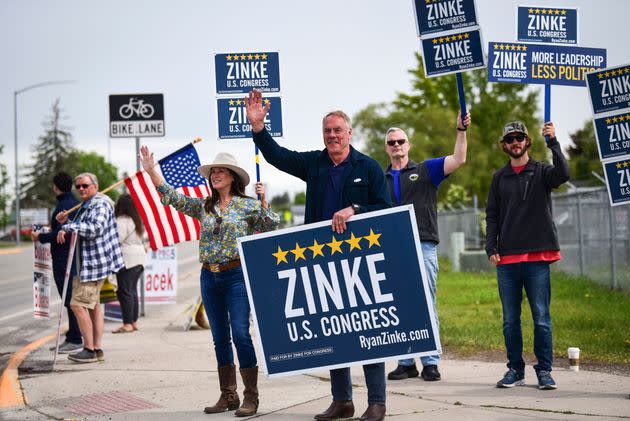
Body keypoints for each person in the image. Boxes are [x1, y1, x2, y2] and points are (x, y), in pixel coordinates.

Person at [245, 89, 391, 421]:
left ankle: (377, 402)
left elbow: (386, 208)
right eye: (327, 131)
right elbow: (278, 156)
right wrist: (258, 129)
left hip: (360, 260)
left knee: (367, 330)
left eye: (338, 130)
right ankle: (342, 401)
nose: (332, 136)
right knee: (334, 332)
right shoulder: (314, 163)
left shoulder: (367, 167)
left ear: (349, 133)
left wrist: (355, 208)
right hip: (321, 262)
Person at [139, 146, 279, 417]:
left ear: (232, 176)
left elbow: (270, 226)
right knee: (219, 338)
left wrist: (264, 202)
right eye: (212, 172)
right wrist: (151, 171)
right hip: (209, 276)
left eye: (219, 171)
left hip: (236, 274)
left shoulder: (248, 205)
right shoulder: (205, 205)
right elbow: (173, 198)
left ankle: (252, 397)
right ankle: (228, 395)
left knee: (240, 332)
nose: (214, 175)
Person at [384, 111, 471, 382]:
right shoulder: (380, 178)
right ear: (386, 148)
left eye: (401, 141)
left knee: (425, 303)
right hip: (393, 250)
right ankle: (406, 361)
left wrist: (461, 131)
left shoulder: (425, 171)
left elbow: (459, 159)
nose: (397, 145)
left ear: (409, 145)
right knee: (399, 305)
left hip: (422, 245)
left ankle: (430, 362)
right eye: (392, 142)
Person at [485, 121, 569, 390]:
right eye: (510, 139)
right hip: (507, 259)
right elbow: (492, 215)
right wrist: (491, 246)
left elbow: (564, 174)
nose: (515, 143)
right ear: (504, 145)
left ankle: (544, 370)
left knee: (541, 318)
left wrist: (553, 142)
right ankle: (515, 370)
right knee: (510, 320)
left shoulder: (542, 171)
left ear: (527, 141)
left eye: (519, 138)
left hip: (537, 257)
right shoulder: (499, 177)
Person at [56, 172, 125, 363]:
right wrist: (67, 223)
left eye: (85, 185)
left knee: (77, 305)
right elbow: (83, 227)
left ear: (95, 185)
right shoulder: (88, 206)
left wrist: (68, 228)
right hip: (88, 264)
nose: (81, 189)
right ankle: (96, 348)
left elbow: (95, 229)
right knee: (94, 307)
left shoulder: (100, 203)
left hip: (93, 265)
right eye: (78, 186)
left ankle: (89, 349)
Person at [31, 172, 82, 353]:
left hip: (63, 258)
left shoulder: (64, 205)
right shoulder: (75, 202)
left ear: (56, 186)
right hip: (73, 256)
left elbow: (61, 233)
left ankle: (75, 338)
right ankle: (74, 336)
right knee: (72, 298)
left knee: (69, 299)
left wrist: (41, 236)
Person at [112, 194, 146, 334]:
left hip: (127, 259)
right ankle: (133, 321)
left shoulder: (121, 221)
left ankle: (127, 324)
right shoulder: (136, 220)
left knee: (124, 291)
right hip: (139, 258)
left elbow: (117, 240)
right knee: (132, 291)